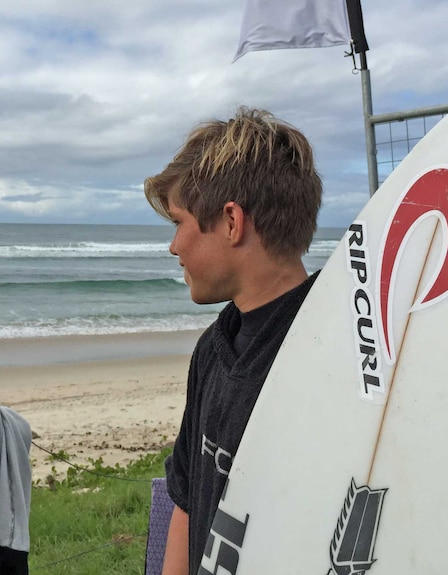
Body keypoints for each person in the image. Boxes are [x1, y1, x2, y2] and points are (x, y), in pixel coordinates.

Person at [143, 107, 322, 574]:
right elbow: (185, 500)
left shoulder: (331, 349)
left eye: (179, 223)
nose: (174, 246)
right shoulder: (213, 347)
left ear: (230, 222)